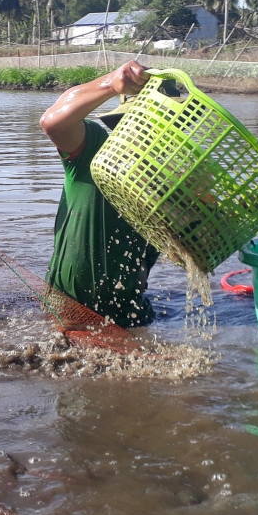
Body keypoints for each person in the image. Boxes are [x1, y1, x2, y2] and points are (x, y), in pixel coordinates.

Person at [39, 60, 161, 327]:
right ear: (122, 125)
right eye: (139, 126)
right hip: (69, 305)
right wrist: (110, 83)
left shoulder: (171, 180)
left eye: (159, 129)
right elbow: (52, 123)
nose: (147, 136)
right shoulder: (92, 149)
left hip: (131, 312)